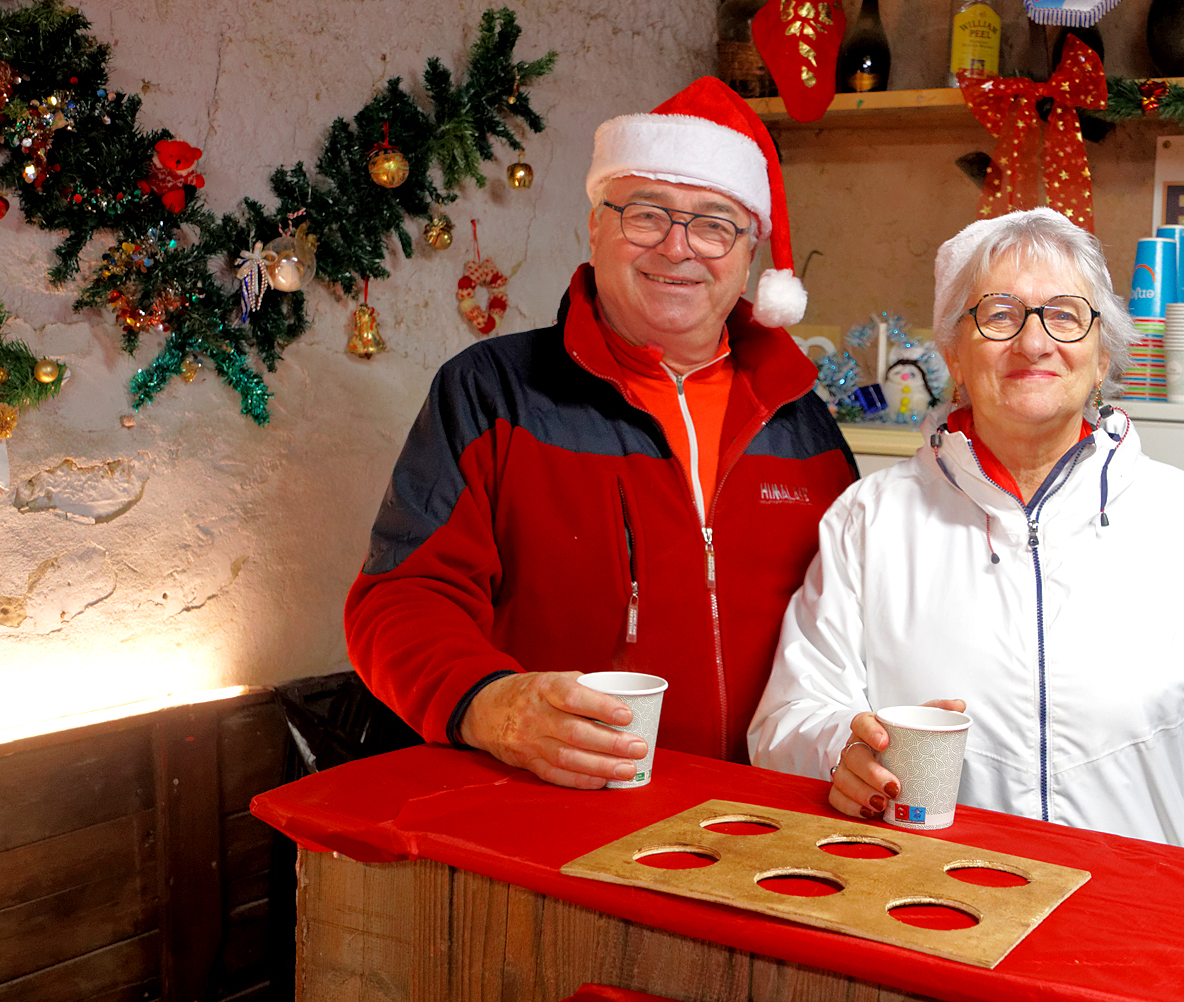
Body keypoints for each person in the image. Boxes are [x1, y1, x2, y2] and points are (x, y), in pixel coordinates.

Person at [748, 208, 1184, 865]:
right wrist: (839, 751)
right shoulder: (869, 520)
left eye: (1066, 315)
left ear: (1102, 357)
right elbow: (787, 720)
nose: (1034, 342)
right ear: (954, 355)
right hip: (928, 905)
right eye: (1000, 314)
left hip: (1140, 913)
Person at [347, 77, 858, 789]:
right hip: (556, 813)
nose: (678, 248)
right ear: (595, 227)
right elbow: (400, 598)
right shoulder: (491, 392)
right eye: (646, 214)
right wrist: (489, 704)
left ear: (749, 255)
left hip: (761, 819)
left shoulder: (804, 419)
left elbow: (855, 628)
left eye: (714, 224)